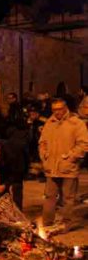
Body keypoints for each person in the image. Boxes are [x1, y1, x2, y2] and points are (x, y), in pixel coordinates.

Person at [39, 98, 88, 232]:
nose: (57, 112)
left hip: (68, 167)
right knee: (49, 196)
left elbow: (84, 144)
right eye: (54, 109)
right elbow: (42, 142)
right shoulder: (50, 122)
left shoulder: (76, 123)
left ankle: (67, 223)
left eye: (60, 109)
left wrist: (71, 157)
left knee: (68, 198)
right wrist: (44, 156)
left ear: (65, 108)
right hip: (51, 167)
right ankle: (47, 223)